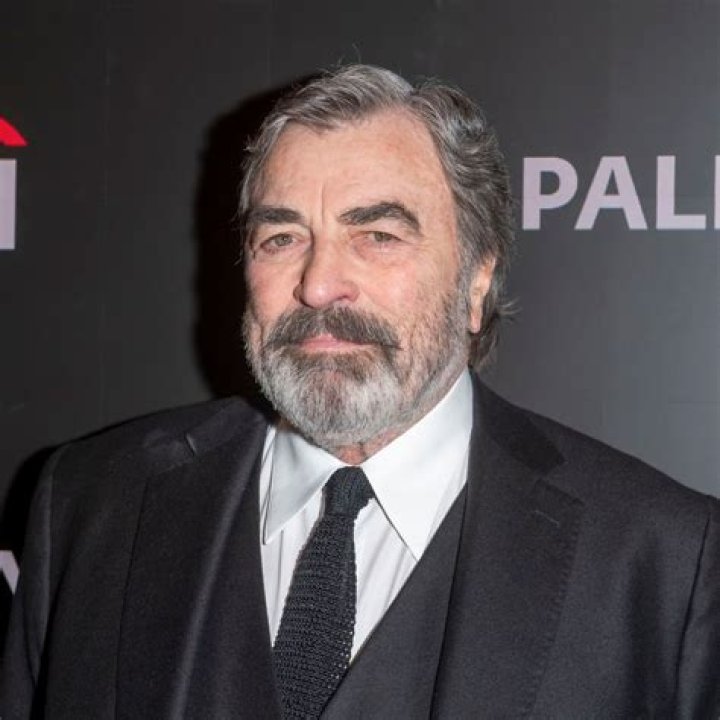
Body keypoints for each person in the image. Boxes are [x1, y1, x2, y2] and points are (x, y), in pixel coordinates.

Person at [1, 64, 718, 719]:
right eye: (281, 238)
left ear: (477, 280)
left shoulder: (662, 564)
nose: (318, 285)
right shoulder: (91, 505)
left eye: (376, 235)